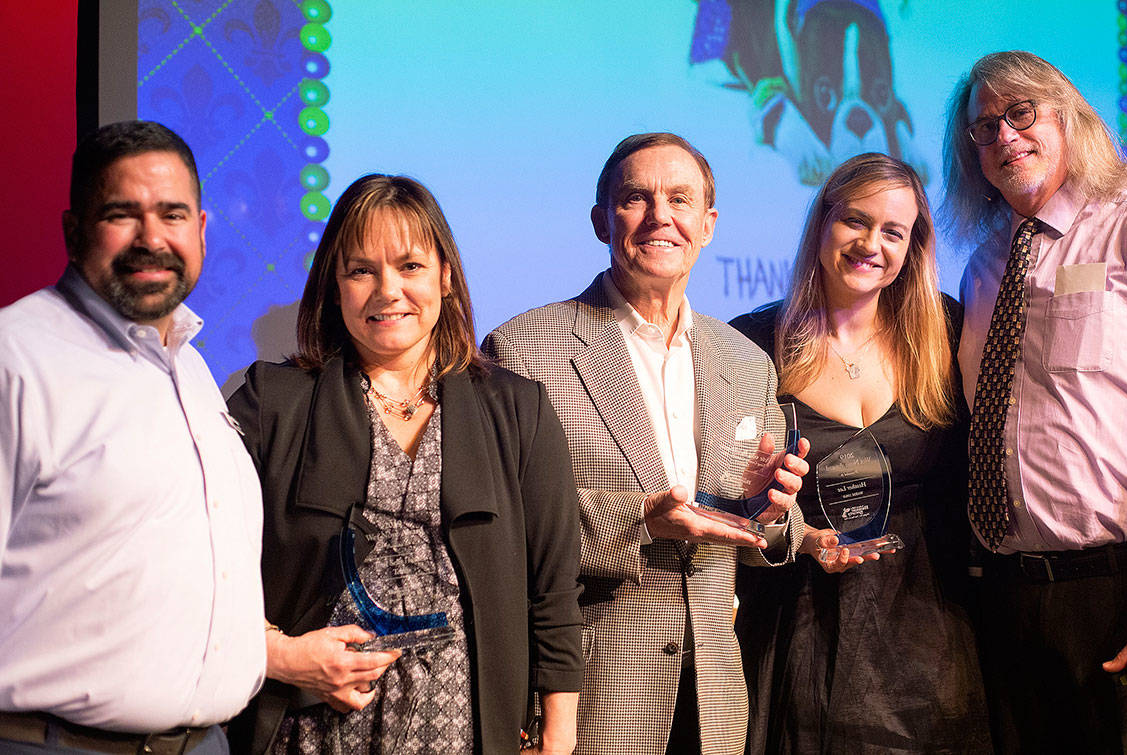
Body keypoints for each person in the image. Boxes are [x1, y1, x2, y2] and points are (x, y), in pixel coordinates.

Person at [942, 50, 1127, 753]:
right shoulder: (984, 266)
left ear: (1070, 119)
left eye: (1021, 113)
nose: (1004, 137)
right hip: (1016, 607)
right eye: (984, 128)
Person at [224, 174, 582, 754]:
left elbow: (552, 593)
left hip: (468, 733)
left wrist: (558, 737)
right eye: (361, 270)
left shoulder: (518, 411)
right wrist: (281, 655)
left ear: (446, 275)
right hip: (314, 731)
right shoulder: (273, 404)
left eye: (410, 265)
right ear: (334, 287)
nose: (387, 290)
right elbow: (208, 566)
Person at [483, 133, 810, 755]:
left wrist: (768, 511)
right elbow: (502, 533)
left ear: (707, 225)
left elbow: (766, 535)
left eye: (680, 200)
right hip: (589, 697)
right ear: (602, 221)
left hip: (713, 700)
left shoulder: (745, 360)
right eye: (637, 198)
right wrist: (641, 523)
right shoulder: (523, 350)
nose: (662, 216)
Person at [0, 121, 265, 753]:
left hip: (203, 744)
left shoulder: (191, 369)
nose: (153, 238)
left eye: (172, 215)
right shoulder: (16, 358)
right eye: (123, 214)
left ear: (200, 230)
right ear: (73, 230)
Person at [730, 153, 990, 753]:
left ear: (912, 248)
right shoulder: (752, 342)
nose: (871, 244)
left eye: (893, 232)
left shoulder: (946, 332)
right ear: (822, 225)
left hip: (933, 628)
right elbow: (727, 507)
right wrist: (769, 513)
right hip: (797, 628)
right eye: (855, 221)